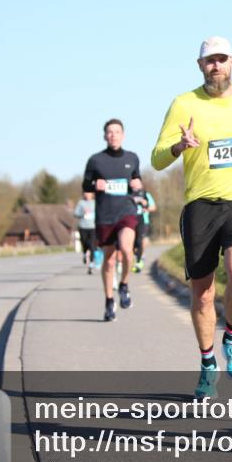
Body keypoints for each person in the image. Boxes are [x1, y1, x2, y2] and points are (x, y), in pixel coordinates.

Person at [151, 36, 232, 398]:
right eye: (209, 60)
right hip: (200, 206)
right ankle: (207, 364)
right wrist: (178, 146)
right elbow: (157, 158)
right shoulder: (183, 104)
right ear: (200, 65)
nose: (215, 65)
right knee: (202, 295)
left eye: (222, 59)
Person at [83, 118, 144, 321]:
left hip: (126, 211)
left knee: (127, 250)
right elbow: (86, 185)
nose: (113, 135)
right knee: (108, 262)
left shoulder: (132, 158)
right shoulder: (95, 160)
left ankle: (124, 284)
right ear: (104, 136)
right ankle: (109, 300)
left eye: (117, 132)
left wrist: (138, 184)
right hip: (105, 214)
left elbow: (137, 180)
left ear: (123, 135)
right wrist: (94, 185)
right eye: (109, 132)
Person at [132, 188, 157, 273]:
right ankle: (139, 256)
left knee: (142, 241)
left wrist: (146, 209)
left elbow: (153, 207)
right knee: (134, 244)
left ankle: (141, 258)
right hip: (133, 221)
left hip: (144, 221)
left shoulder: (146, 194)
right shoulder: (130, 193)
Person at [73, 192, 97, 274]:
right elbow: (75, 213)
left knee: (92, 245)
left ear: (92, 194)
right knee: (85, 244)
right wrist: (83, 213)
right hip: (83, 227)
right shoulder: (81, 203)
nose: (87, 195)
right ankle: (84, 254)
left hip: (93, 227)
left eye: (89, 193)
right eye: (86, 193)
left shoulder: (95, 202)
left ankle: (91, 263)